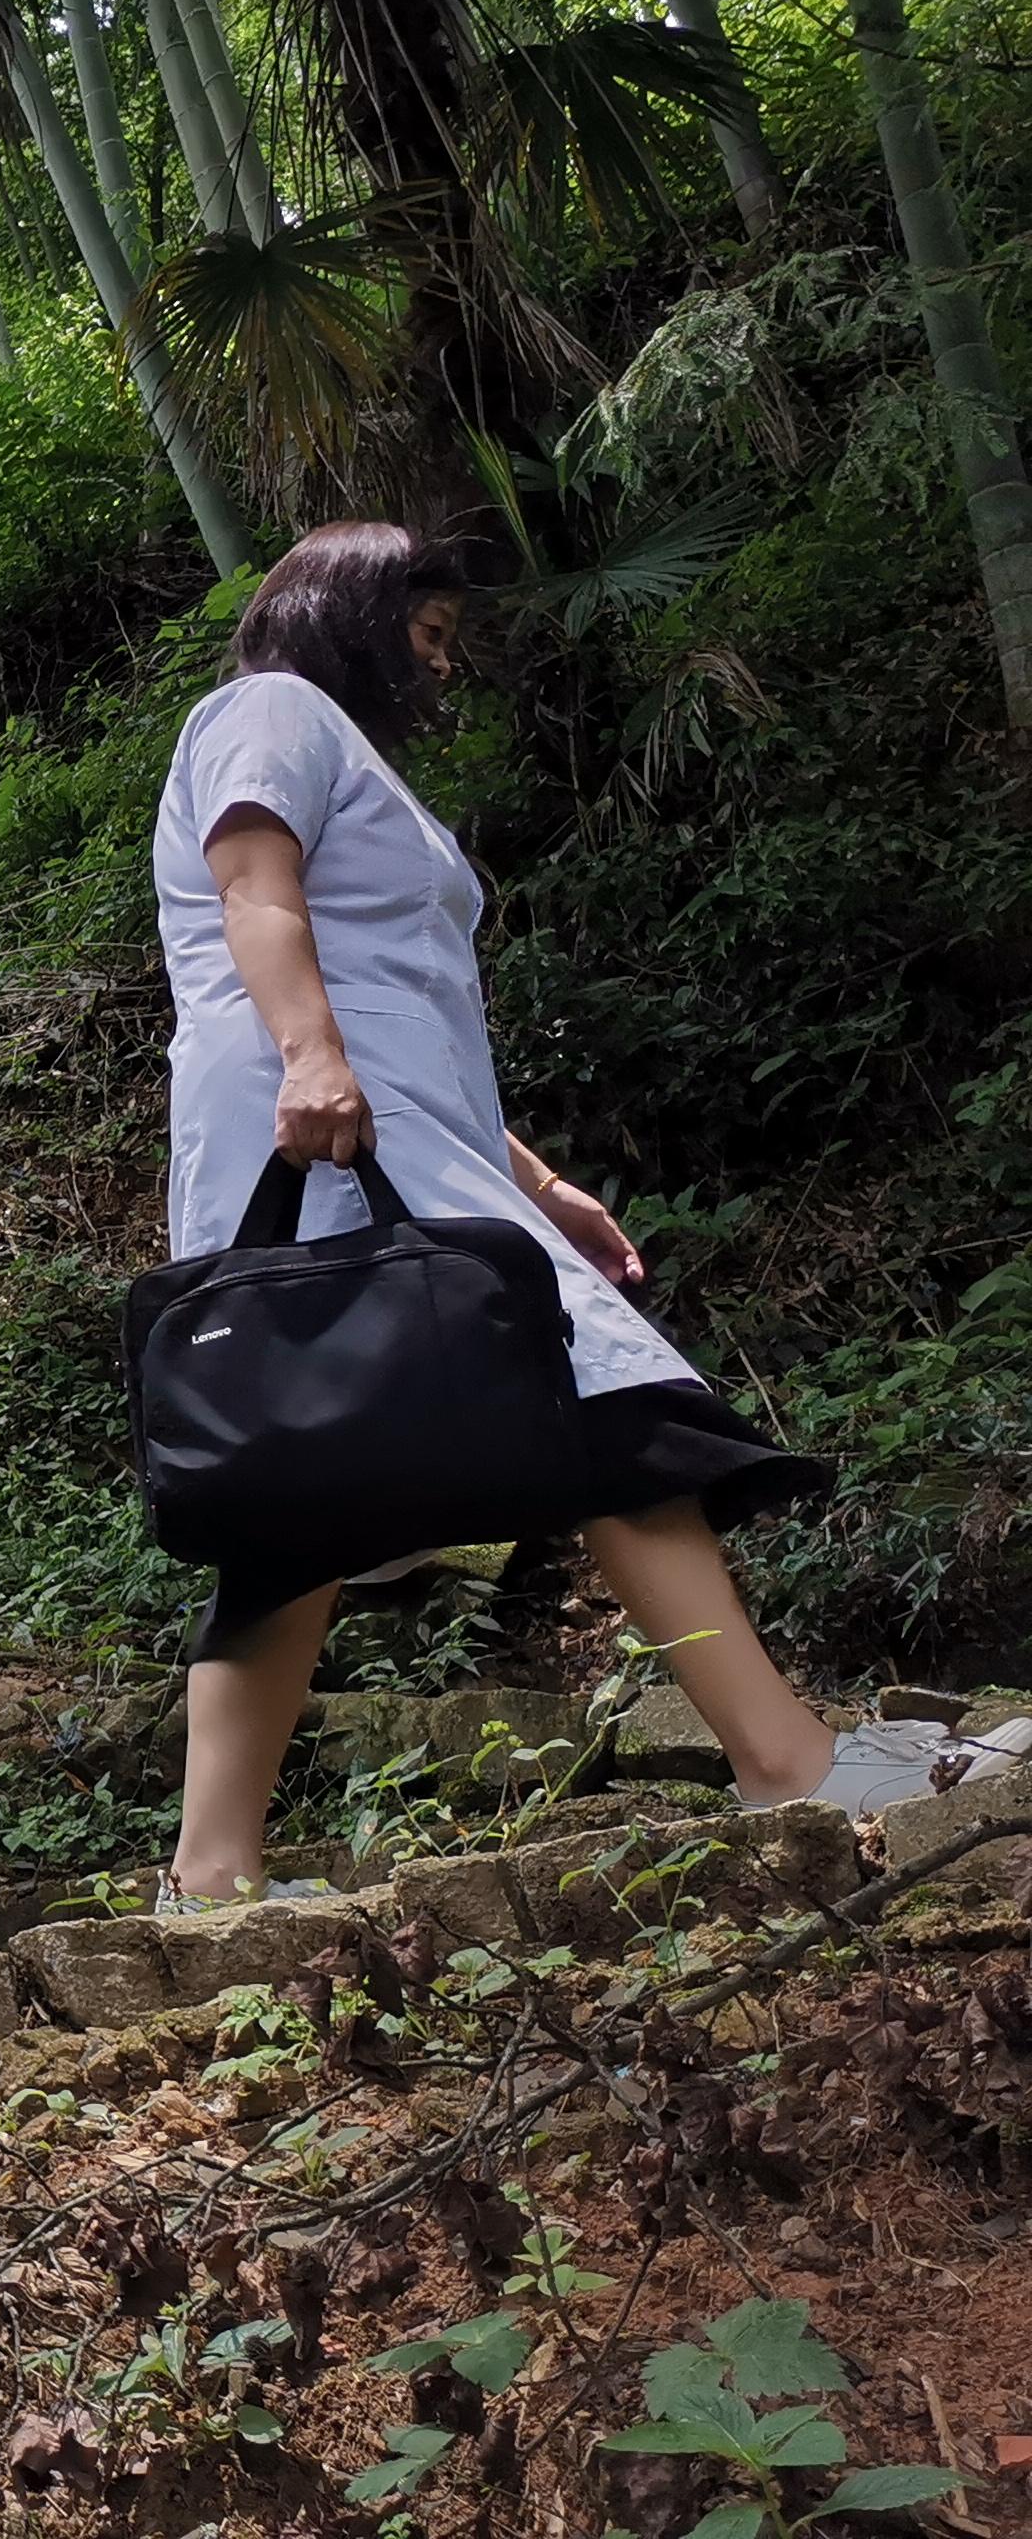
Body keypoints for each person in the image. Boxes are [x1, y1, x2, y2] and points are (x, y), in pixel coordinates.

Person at [152, 522, 1020, 1909]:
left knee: (299, 1494)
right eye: (426, 630)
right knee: (599, 1416)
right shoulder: (272, 709)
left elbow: (409, 1015)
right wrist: (310, 1056)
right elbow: (253, 888)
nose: (442, 660)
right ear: (353, 616)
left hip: (400, 1138)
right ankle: (787, 1761)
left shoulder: (353, 755)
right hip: (314, 1142)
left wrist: (535, 1178)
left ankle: (209, 1876)